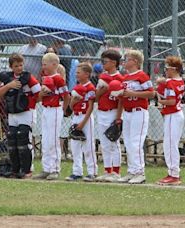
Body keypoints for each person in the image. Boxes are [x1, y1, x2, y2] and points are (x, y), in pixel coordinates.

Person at [0, 53, 40, 178]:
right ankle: (15, 169)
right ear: (11, 67)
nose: (19, 68)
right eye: (16, 66)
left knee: (23, 139)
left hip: (26, 112)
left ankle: (27, 170)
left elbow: (39, 93)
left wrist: (30, 103)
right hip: (13, 113)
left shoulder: (28, 78)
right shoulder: (8, 78)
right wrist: (9, 86)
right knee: (12, 140)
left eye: (21, 65)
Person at [117, 50, 154, 184]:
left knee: (136, 142)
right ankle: (131, 171)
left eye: (128, 59)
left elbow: (151, 93)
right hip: (127, 112)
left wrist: (133, 93)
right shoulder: (126, 77)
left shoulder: (142, 76)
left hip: (139, 111)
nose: (125, 61)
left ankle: (140, 172)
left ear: (136, 62)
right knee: (127, 142)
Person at [34, 53, 69, 180]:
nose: (43, 67)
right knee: (45, 139)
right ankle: (46, 168)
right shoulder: (45, 78)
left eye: (45, 64)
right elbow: (40, 96)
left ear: (54, 64)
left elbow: (65, 95)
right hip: (46, 109)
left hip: (55, 109)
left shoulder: (58, 78)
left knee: (53, 140)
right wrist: (42, 94)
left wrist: (65, 109)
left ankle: (54, 169)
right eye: (42, 64)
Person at [94, 49, 124, 183]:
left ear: (113, 63)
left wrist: (118, 117)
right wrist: (103, 89)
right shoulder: (102, 77)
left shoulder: (119, 78)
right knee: (104, 143)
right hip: (101, 111)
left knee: (113, 141)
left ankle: (116, 172)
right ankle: (107, 170)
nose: (103, 64)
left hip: (112, 111)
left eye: (105, 62)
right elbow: (95, 97)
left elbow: (121, 100)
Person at [65, 63, 97, 182]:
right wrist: (73, 101)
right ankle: (77, 172)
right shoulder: (76, 87)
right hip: (76, 116)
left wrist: (84, 122)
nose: (76, 74)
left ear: (87, 74)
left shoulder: (90, 87)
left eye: (79, 72)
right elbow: (71, 108)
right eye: (76, 72)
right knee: (75, 146)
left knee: (88, 145)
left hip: (86, 117)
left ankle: (92, 172)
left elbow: (90, 107)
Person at [155, 56, 185, 186]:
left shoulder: (172, 83)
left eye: (167, 68)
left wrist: (160, 101)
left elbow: (172, 101)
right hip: (173, 114)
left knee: (170, 145)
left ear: (174, 69)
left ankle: (174, 174)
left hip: (173, 114)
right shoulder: (178, 81)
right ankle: (172, 172)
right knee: (169, 144)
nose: (165, 71)